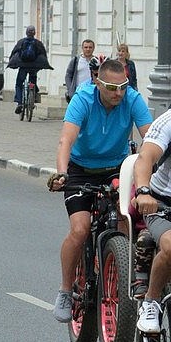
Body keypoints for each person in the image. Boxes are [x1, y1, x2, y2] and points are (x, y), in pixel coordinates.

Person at [49, 58, 153, 322]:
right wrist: (62, 173)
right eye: (111, 87)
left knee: (127, 222)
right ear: (98, 83)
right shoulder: (83, 99)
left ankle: (126, 273)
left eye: (123, 87)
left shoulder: (132, 99)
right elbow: (66, 140)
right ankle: (64, 290)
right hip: (80, 169)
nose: (118, 93)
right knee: (80, 228)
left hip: (118, 168)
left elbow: (151, 138)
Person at [131, 108, 171, 334]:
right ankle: (151, 302)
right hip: (162, 203)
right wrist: (144, 191)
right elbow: (146, 157)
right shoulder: (167, 121)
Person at [7, 25, 53, 113]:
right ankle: (32, 98)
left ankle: (19, 102)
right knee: (33, 82)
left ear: (26, 33)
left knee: (19, 84)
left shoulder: (21, 42)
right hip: (34, 67)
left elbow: (14, 52)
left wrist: (11, 62)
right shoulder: (38, 43)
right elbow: (43, 54)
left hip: (23, 66)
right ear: (34, 33)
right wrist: (43, 65)